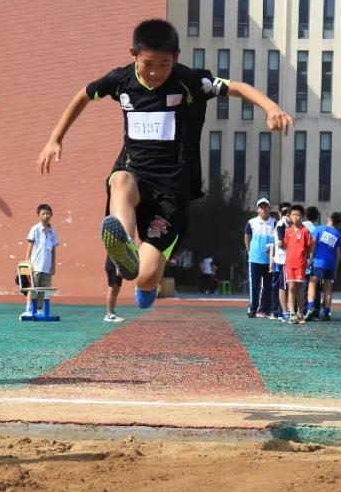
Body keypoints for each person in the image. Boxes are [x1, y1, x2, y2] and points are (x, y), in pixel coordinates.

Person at [37, 19, 292, 310]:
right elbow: (83, 94)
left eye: (164, 64)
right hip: (134, 173)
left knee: (144, 278)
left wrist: (271, 108)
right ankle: (125, 245)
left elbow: (238, 87)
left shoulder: (190, 81)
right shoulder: (120, 80)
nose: (155, 72)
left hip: (172, 194)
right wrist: (55, 138)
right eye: (148, 64)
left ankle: (147, 280)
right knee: (120, 180)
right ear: (133, 53)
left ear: (177, 57)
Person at [305, 212, 341, 322]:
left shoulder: (319, 229)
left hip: (318, 262)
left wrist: (311, 258)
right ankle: (326, 312)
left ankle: (310, 308)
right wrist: (336, 268)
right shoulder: (338, 234)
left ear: (330, 219)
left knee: (312, 283)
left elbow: (312, 244)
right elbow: (338, 253)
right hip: (330, 264)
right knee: (328, 288)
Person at [244, 198, 277, 318]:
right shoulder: (251, 222)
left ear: (269, 208)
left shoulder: (274, 222)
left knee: (268, 286)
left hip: (270, 261)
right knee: (255, 285)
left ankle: (264, 309)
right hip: (255, 259)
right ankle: (252, 308)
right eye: (261, 207)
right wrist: (249, 251)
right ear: (257, 209)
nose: (264, 209)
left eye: (266, 206)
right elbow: (247, 237)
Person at [282, 205, 313, 325]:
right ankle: (292, 313)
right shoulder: (288, 231)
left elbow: (310, 246)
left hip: (301, 264)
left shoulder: (305, 231)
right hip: (289, 264)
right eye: (293, 214)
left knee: (300, 288)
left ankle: (300, 313)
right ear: (290, 216)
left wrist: (308, 257)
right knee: (291, 287)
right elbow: (284, 245)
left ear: (302, 216)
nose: (296, 217)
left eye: (298, 214)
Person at [25, 203, 58, 314]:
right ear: (38, 216)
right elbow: (29, 246)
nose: (46, 216)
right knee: (32, 287)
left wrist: (53, 265)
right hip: (35, 265)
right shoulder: (35, 229)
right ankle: (29, 308)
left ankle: (39, 309)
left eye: (48, 213)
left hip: (47, 266)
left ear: (51, 215)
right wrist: (26, 263)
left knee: (44, 290)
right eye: (43, 214)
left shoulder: (53, 231)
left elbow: (53, 249)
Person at [268, 202, 291, 320]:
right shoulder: (281, 225)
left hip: (285, 260)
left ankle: (283, 311)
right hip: (281, 260)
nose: (290, 216)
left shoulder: (290, 226)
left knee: (284, 285)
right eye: (286, 213)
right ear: (281, 213)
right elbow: (277, 243)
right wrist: (271, 260)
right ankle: (279, 311)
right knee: (279, 285)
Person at [104, 256, 124, 322]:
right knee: (113, 288)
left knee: (116, 289)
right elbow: (112, 251)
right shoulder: (112, 245)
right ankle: (109, 315)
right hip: (113, 266)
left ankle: (112, 313)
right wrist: (117, 267)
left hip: (117, 266)